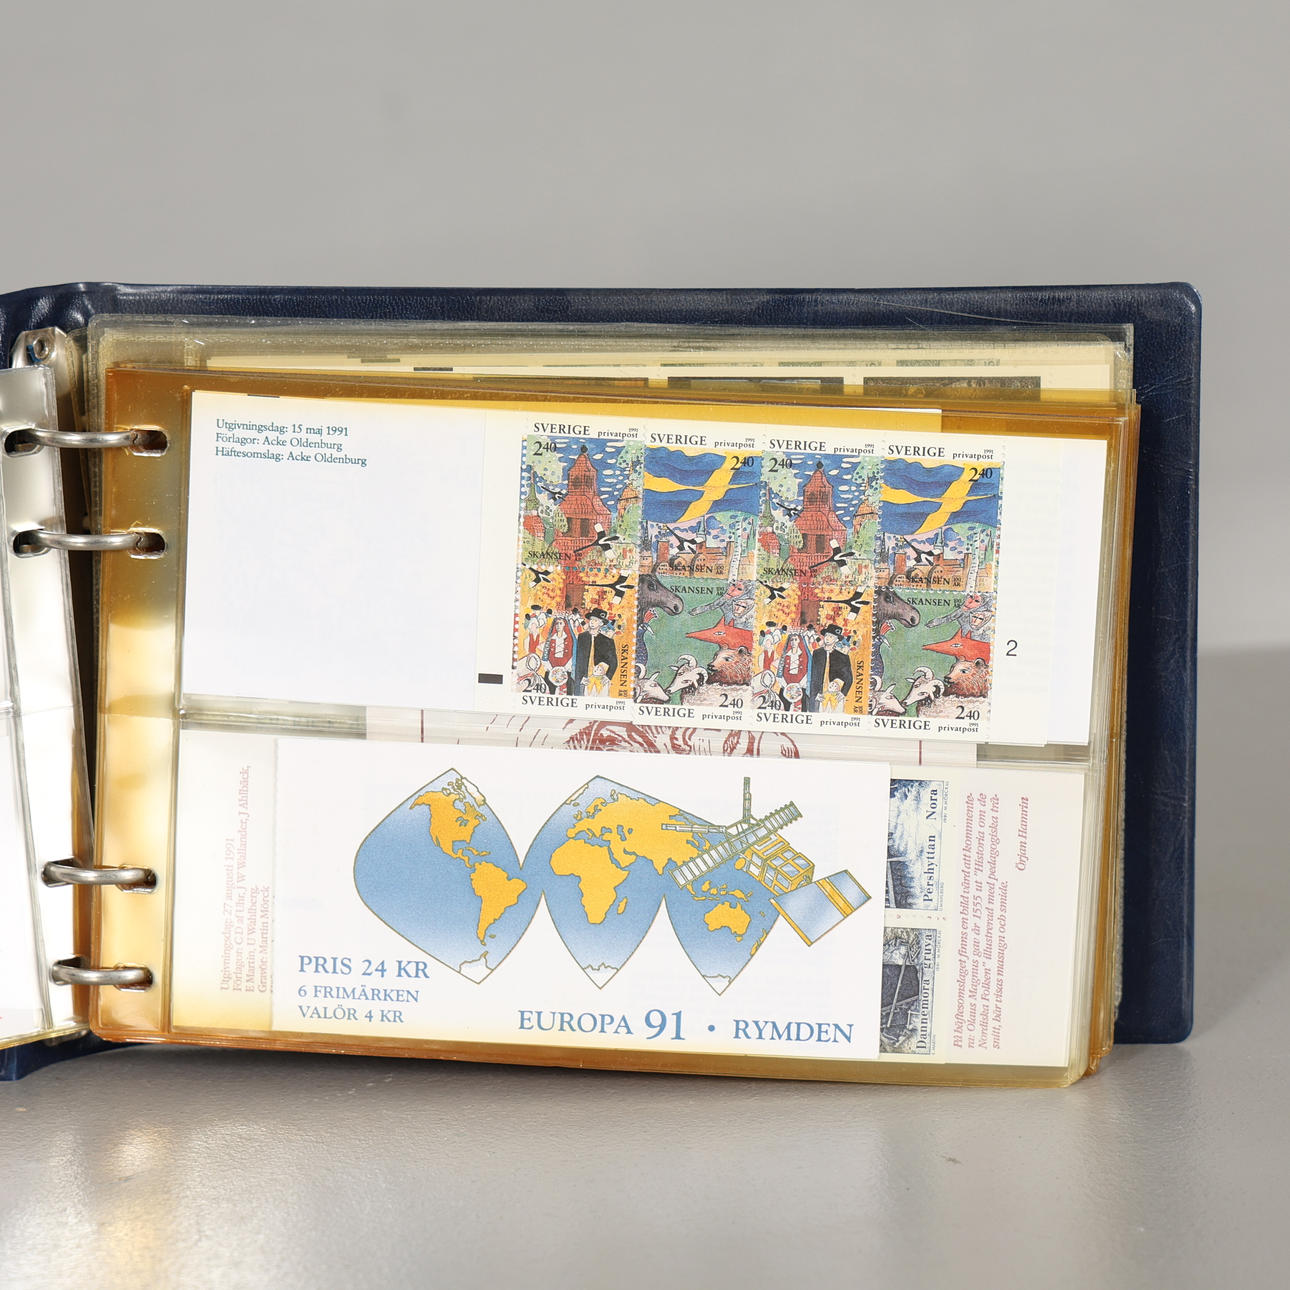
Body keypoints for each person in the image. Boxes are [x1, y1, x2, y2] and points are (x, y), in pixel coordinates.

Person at [573, 606, 617, 695]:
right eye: (591, 619)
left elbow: (613, 661)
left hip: (600, 680)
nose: (592, 622)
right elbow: (578, 659)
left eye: (595, 620)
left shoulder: (607, 641)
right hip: (584, 679)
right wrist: (580, 677)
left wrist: (608, 676)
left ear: (601, 623)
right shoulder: (582, 637)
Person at [808, 623, 853, 711]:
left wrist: (843, 693)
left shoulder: (842, 656)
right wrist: (815, 693)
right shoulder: (817, 653)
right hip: (820, 695)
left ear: (837, 639)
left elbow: (849, 678)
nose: (828, 638)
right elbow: (813, 676)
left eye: (831, 636)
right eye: (826, 635)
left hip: (835, 696)